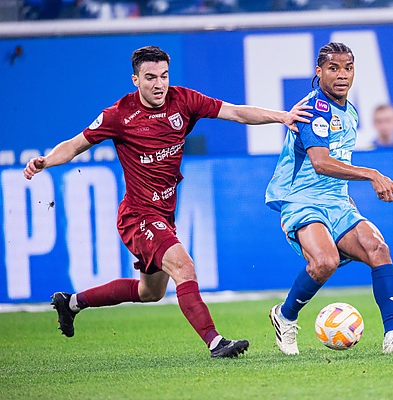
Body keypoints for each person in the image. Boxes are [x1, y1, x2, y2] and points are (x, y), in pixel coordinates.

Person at [23, 45, 312, 358]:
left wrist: (282, 116)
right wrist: (46, 161)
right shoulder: (119, 115)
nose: (159, 84)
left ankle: (71, 303)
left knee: (150, 292)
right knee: (184, 267)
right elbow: (76, 145)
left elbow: (236, 112)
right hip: (138, 215)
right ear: (135, 79)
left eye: (163, 76)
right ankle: (216, 343)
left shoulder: (183, 100)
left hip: (164, 214)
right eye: (150, 77)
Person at [265, 42, 393, 355]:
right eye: (333, 68)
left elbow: (338, 162)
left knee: (378, 248)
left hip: (337, 202)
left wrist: (348, 201)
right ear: (319, 71)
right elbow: (321, 163)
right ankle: (285, 315)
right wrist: (371, 174)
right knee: (325, 262)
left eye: (348, 68)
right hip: (302, 199)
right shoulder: (312, 109)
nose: (342, 75)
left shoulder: (349, 112)